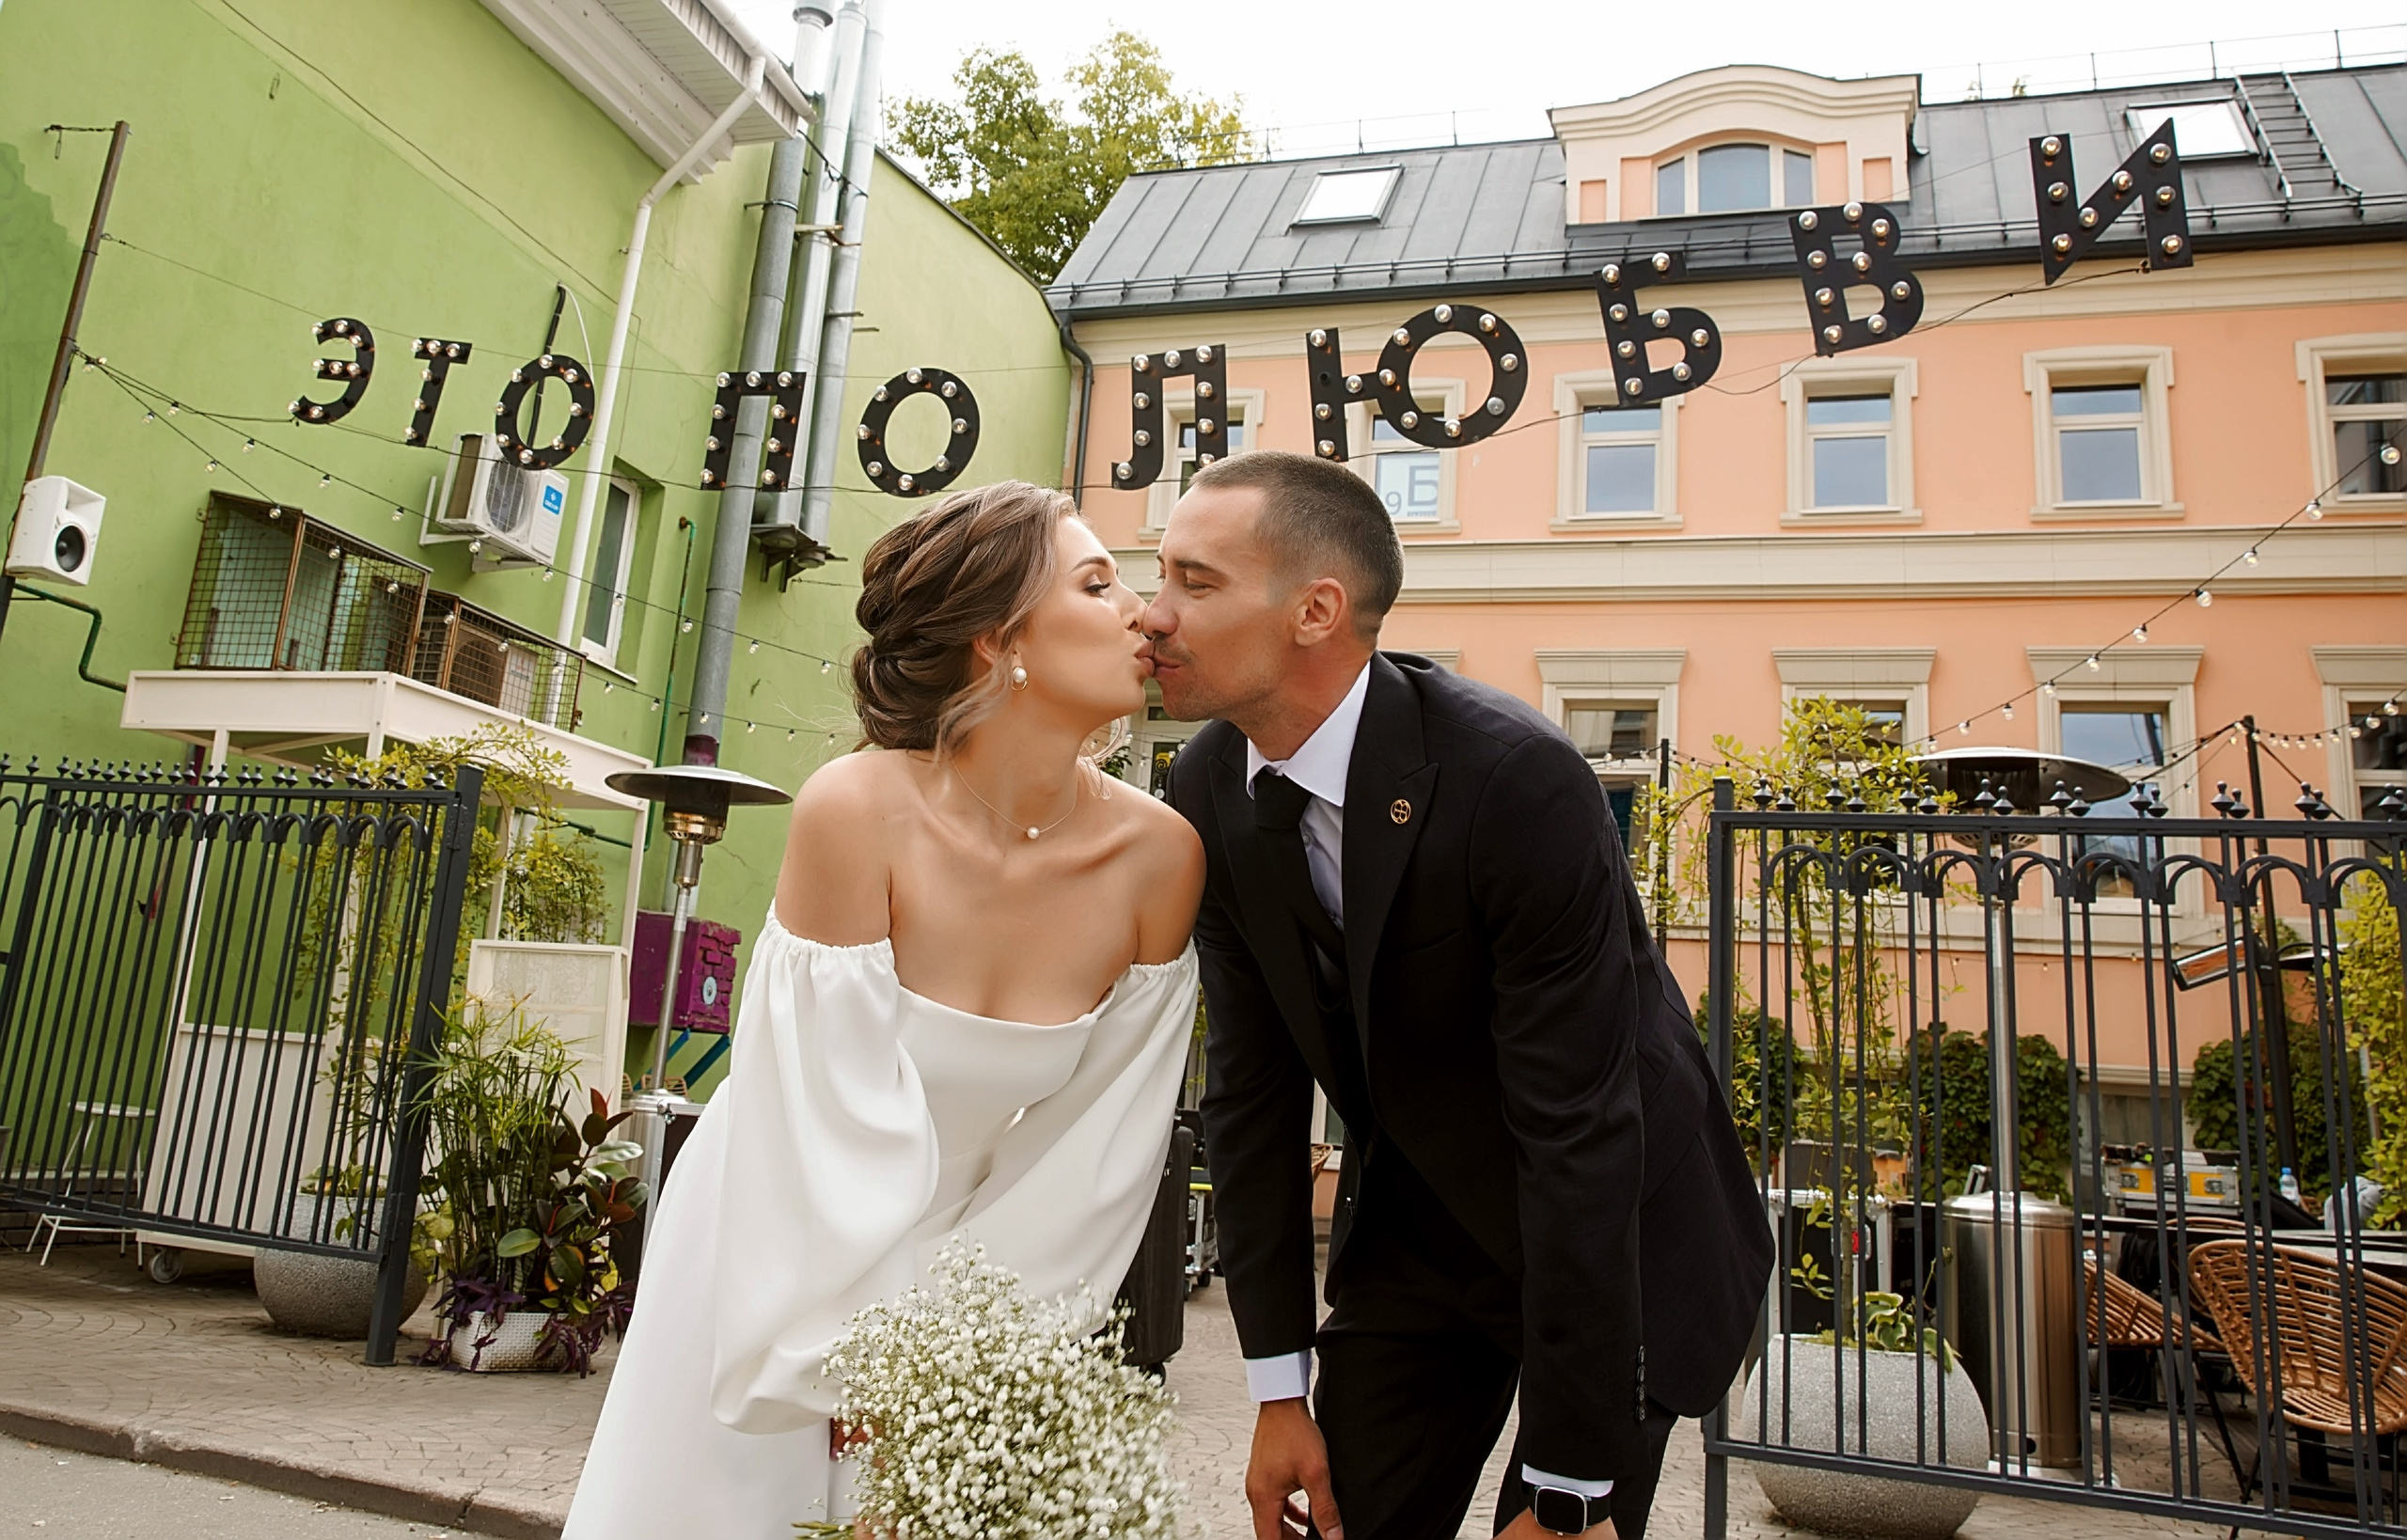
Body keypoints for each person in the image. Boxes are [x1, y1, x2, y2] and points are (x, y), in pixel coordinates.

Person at [1144, 450, 1771, 1540]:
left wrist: (1572, 1489)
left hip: (1619, 1233)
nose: (1152, 616)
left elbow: (1579, 1130)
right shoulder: (1204, 784)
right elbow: (1251, 1095)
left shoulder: (1511, 780)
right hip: (1422, 1232)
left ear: (1315, 610)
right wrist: (1275, 1389)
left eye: (1194, 585)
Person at [565, 481, 1204, 1539]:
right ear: (1003, 644)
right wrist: (847, 1375)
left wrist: (977, 1375)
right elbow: (820, 1123)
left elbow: (1094, 1162)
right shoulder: (856, 810)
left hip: (986, 1279)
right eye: (1098, 584)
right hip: (773, 1238)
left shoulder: (1159, 858)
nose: (1143, 613)